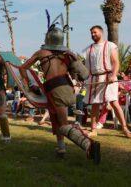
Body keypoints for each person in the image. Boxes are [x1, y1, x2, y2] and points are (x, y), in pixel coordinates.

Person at [20, 24, 100, 164]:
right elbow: (84, 75)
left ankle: (89, 145)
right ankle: (61, 148)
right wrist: (74, 59)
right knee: (56, 119)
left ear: (48, 38)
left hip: (55, 90)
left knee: (63, 124)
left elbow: (22, 68)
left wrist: (29, 84)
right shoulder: (67, 54)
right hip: (67, 89)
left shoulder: (41, 53)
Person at [84, 25, 131, 138]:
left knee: (113, 102)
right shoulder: (89, 49)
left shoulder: (110, 45)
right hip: (94, 78)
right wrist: (85, 79)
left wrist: (113, 75)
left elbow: (116, 62)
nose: (93, 35)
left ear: (101, 33)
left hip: (109, 77)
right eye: (91, 33)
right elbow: (87, 68)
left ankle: (125, 129)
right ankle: (93, 129)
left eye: (95, 32)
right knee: (95, 104)